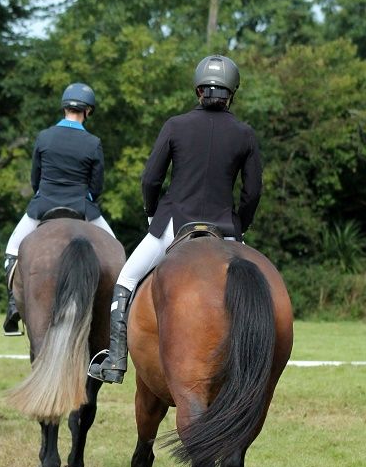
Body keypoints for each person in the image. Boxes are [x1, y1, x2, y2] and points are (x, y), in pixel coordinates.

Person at [88, 54, 262, 383]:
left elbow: (150, 180)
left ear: (199, 90)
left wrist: (153, 212)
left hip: (173, 224)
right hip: (223, 230)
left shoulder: (175, 125)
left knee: (126, 280)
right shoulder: (245, 133)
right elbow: (252, 193)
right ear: (232, 93)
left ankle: (114, 360)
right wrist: (239, 227)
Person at [3, 82, 116, 335]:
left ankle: (13, 307)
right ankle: (116, 313)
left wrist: (46, 195)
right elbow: (96, 186)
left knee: (12, 251)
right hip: (82, 208)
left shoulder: (44, 137)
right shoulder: (93, 142)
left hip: (43, 207)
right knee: (115, 249)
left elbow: (35, 179)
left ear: (65, 107)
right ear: (87, 111)